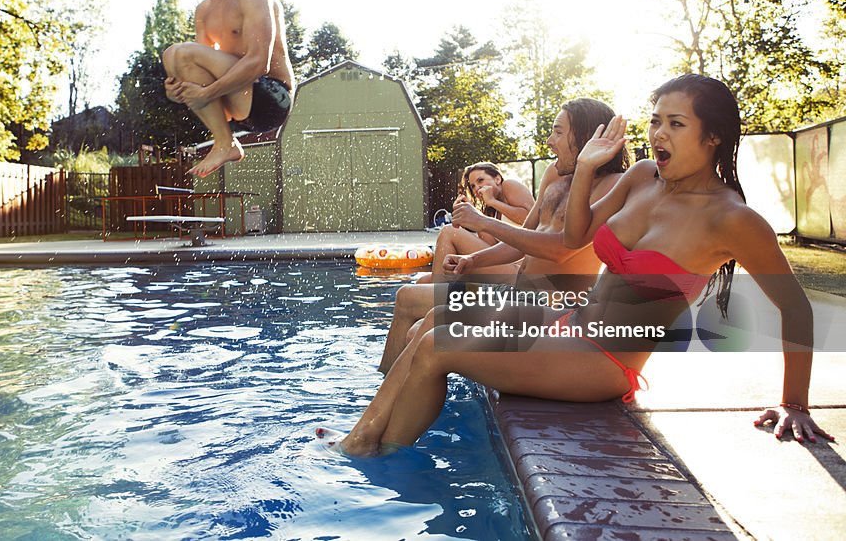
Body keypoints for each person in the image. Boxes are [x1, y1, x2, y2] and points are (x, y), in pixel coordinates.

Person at [332, 74, 832, 456]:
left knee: (439, 345)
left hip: (605, 362)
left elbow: (795, 308)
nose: (659, 133)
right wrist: (589, 166)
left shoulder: (732, 219)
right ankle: (363, 435)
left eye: (676, 124)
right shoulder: (642, 178)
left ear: (713, 138)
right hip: (569, 326)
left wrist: (794, 403)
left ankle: (372, 458)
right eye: (656, 120)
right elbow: (575, 236)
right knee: (436, 321)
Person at [380, 98, 629, 373]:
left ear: (586, 137)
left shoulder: (613, 186)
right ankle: (383, 387)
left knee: (421, 332)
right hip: (517, 291)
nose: (549, 141)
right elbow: (525, 239)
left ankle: (389, 401)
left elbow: (560, 250)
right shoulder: (554, 175)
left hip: (553, 303)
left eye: (558, 132)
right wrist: (473, 261)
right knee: (406, 297)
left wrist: (483, 222)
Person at [162, 0, 296, 178]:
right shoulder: (205, 9)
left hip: (271, 98)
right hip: (236, 102)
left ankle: (225, 143)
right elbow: (197, 73)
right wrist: (176, 92)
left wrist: (208, 92)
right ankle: (225, 141)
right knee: (173, 56)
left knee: (182, 52)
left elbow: (259, 63)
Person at [416, 162, 534, 285]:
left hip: (523, 271)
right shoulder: (489, 211)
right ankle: (437, 294)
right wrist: (473, 214)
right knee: (423, 281)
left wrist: (492, 201)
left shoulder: (509, 185)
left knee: (449, 231)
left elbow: (531, 220)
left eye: (481, 180)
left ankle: (437, 296)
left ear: (497, 179)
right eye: (473, 186)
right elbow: (489, 248)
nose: (477, 188)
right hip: (503, 267)